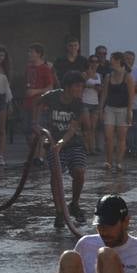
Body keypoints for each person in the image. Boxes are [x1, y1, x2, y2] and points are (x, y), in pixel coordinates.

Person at [36, 72, 88, 225]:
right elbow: (37, 103)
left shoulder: (78, 103)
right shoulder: (52, 96)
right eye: (77, 86)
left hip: (72, 142)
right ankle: (59, 212)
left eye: (81, 86)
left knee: (79, 171)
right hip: (52, 143)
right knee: (56, 176)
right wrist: (36, 123)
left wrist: (60, 143)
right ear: (67, 87)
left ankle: (74, 204)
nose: (80, 89)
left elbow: (72, 129)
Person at [99, 51, 134, 172]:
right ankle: (108, 161)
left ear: (118, 60)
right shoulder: (109, 76)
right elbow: (104, 94)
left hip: (123, 109)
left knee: (121, 137)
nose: (110, 61)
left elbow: (131, 96)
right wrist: (100, 109)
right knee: (108, 137)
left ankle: (119, 162)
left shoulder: (127, 77)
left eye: (112, 59)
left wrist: (130, 111)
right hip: (110, 108)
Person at [23, 43, 56, 136]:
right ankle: (32, 150)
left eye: (31, 52)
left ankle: (40, 150)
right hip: (28, 103)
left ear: (39, 54)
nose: (29, 54)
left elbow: (50, 87)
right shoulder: (28, 68)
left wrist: (35, 91)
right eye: (29, 52)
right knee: (26, 130)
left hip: (40, 104)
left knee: (37, 130)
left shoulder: (45, 68)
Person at [81, 54, 103, 153]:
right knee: (87, 126)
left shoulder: (99, 75)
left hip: (95, 102)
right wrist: (88, 82)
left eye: (96, 62)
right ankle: (86, 147)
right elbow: (80, 86)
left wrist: (99, 89)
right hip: (85, 101)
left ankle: (92, 148)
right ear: (89, 63)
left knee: (93, 127)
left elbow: (102, 89)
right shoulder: (84, 74)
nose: (94, 64)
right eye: (92, 61)